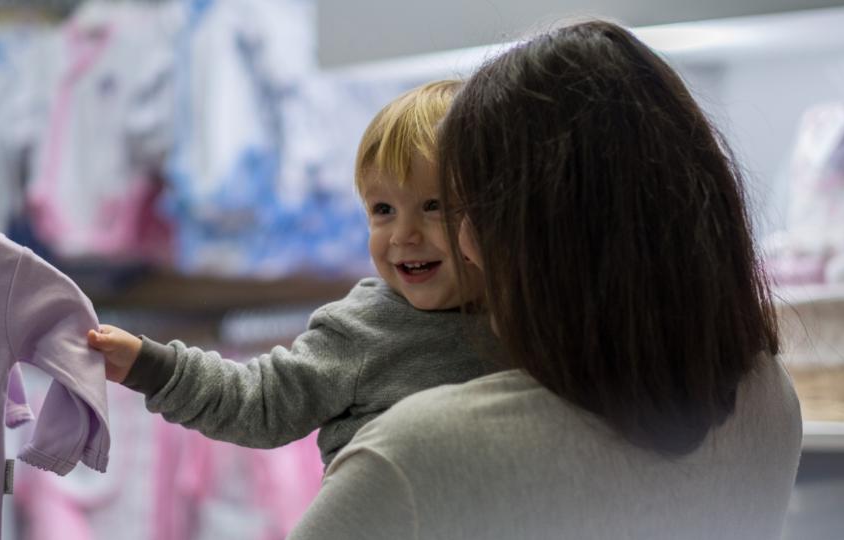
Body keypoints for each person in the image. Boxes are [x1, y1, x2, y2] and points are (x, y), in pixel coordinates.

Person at [289, 20, 803, 539]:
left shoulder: (413, 455)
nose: (463, 241)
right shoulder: (766, 396)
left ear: (540, 235)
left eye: (465, 210)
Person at [87, 80, 496, 467]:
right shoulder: (363, 328)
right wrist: (149, 366)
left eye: (434, 206)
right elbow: (260, 401)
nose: (403, 236)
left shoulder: (526, 317)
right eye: (383, 210)